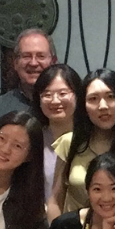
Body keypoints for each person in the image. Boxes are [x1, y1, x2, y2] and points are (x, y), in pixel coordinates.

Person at [50, 70, 115, 219]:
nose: (103, 106)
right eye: (93, 99)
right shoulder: (69, 144)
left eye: (110, 97)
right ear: (83, 106)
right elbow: (55, 200)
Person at [33, 64, 82, 204]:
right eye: (47, 95)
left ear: (78, 96)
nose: (55, 101)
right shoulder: (32, 138)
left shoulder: (89, 138)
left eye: (63, 93)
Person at [0, 28, 56, 121]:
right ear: (15, 62)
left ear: (53, 62)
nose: (33, 63)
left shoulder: (66, 107)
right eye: (26, 56)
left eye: (41, 56)